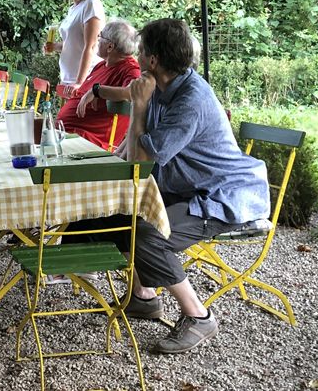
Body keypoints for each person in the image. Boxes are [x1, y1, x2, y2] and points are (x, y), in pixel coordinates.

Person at [116, 18, 270, 354]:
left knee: (148, 233)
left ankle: (198, 316)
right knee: (122, 214)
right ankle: (145, 296)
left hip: (224, 194)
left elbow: (140, 163)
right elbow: (130, 152)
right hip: (189, 186)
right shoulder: (161, 86)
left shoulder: (190, 100)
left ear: (153, 59)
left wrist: (137, 106)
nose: (137, 57)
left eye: (140, 51)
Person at [59, 19, 140, 149]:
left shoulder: (131, 69)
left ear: (110, 46)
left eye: (100, 36)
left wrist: (97, 91)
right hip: (69, 133)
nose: (97, 39)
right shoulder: (102, 65)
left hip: (88, 141)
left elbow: (132, 93)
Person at [49, 0, 105, 97]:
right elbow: (74, 42)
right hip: (69, 79)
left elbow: (91, 46)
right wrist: (55, 46)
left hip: (86, 80)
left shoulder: (91, 4)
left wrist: (80, 83)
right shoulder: (73, 9)